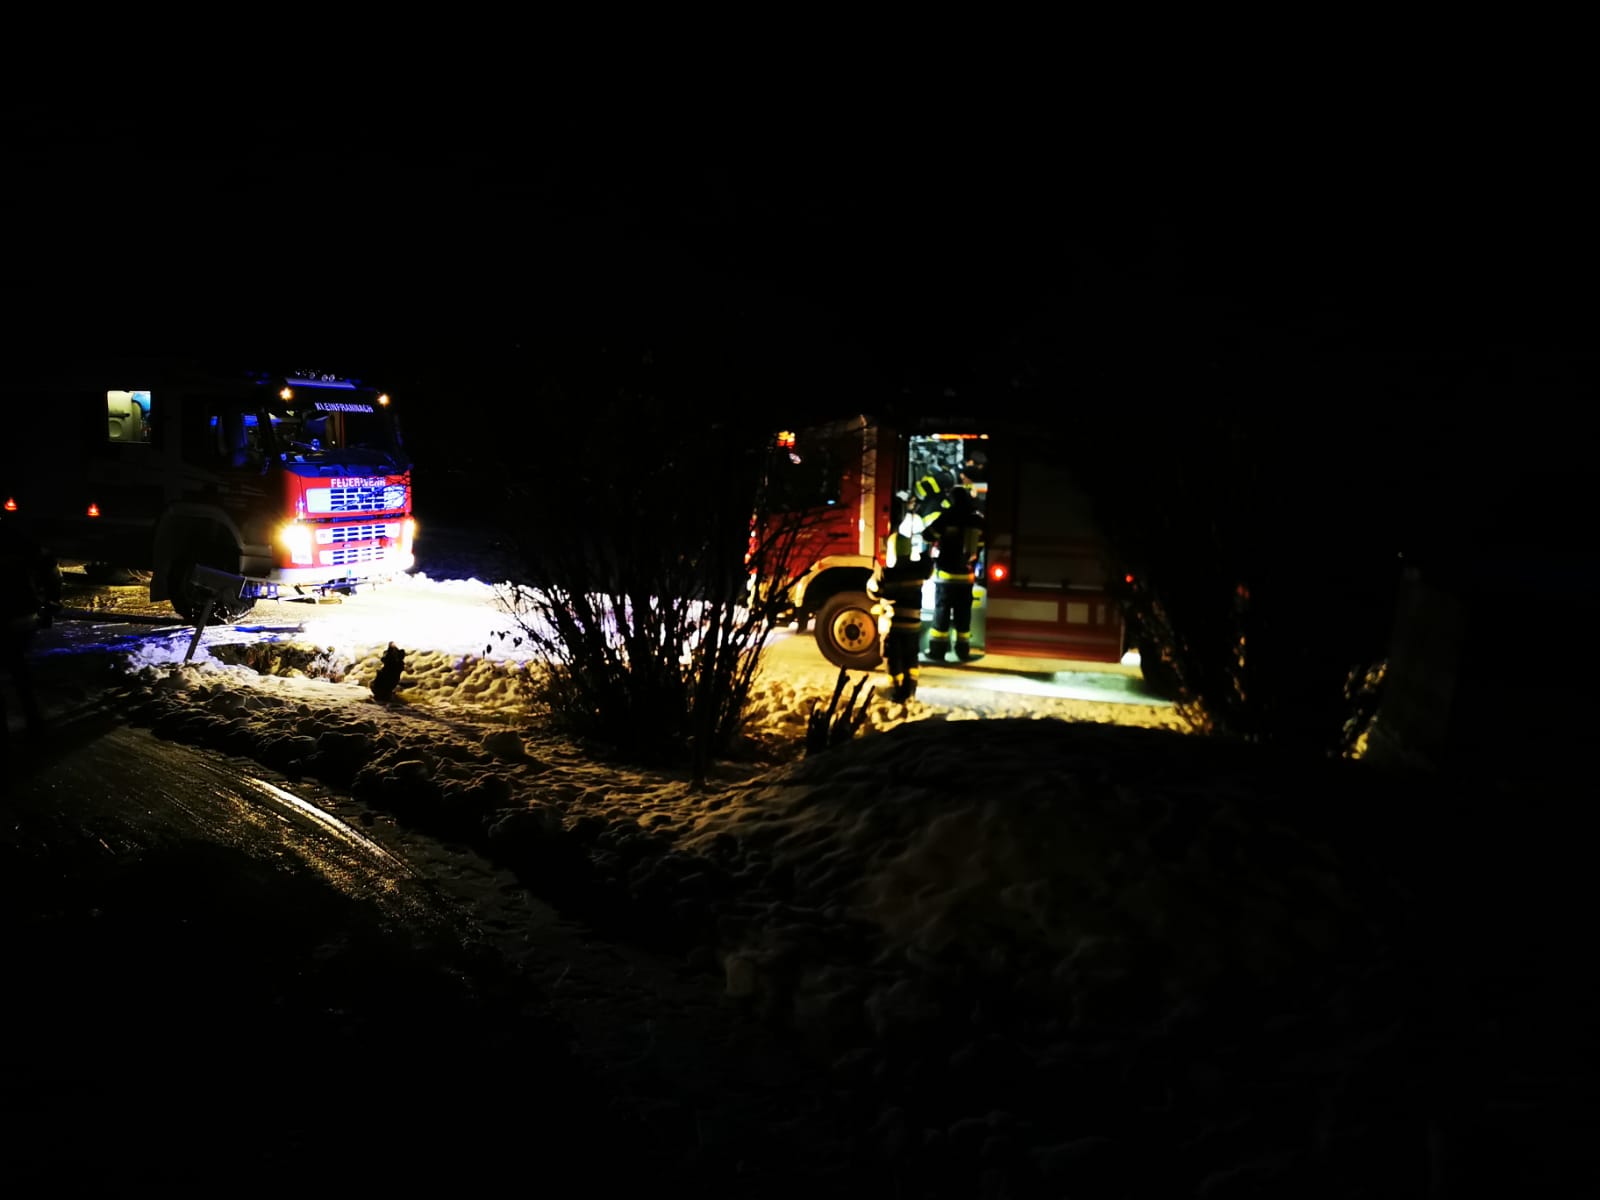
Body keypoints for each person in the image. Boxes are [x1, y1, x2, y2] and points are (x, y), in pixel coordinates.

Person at [924, 453, 985, 664]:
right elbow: (982, 543)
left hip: (946, 576)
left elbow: (928, 535)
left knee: (942, 614)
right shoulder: (975, 520)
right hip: (966, 577)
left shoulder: (947, 516)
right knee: (963, 616)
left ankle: (938, 651)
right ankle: (962, 650)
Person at [879, 491, 933, 702]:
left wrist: (876, 576)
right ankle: (911, 689)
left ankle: (897, 691)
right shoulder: (917, 570)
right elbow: (928, 567)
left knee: (894, 659)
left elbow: (876, 592)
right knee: (911, 659)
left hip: (896, 626)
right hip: (913, 627)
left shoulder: (890, 574)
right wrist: (924, 554)